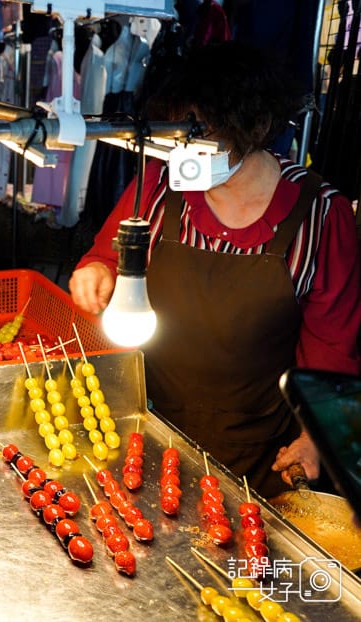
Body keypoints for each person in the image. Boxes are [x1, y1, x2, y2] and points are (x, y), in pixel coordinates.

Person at [68, 40, 361, 501]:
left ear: (253, 127)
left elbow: (333, 345)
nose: (184, 150)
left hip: (259, 450)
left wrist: (315, 436)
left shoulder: (321, 216)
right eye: (177, 135)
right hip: (148, 426)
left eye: (200, 134)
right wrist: (96, 273)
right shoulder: (158, 187)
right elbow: (107, 257)